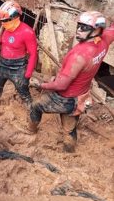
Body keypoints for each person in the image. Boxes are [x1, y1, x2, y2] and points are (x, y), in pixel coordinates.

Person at [28, 11, 114, 152]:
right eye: (79, 25)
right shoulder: (105, 40)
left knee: (36, 106)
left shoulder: (79, 55)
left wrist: (39, 84)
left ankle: (31, 131)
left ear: (97, 30)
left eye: (84, 28)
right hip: (81, 95)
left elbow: (61, 85)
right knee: (69, 127)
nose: (78, 30)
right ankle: (69, 150)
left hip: (64, 97)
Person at [0, 0, 38, 107]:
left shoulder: (27, 32)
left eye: (6, 20)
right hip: (2, 64)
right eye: (2, 21)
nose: (3, 23)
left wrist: (27, 75)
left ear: (15, 16)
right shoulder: (6, 27)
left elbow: (33, 55)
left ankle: (32, 112)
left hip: (18, 68)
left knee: (23, 92)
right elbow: (6, 44)